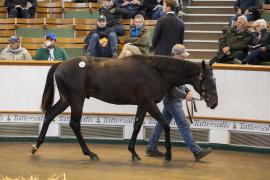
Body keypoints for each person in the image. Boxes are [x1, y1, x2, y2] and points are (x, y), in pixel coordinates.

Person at [146, 44, 212, 162]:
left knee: (162, 124)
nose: (185, 58)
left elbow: (181, 82)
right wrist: (184, 95)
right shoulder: (169, 67)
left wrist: (187, 90)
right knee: (184, 125)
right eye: (182, 56)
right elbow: (170, 88)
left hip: (172, 101)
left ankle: (151, 147)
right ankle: (197, 151)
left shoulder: (177, 66)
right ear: (175, 55)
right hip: (172, 101)